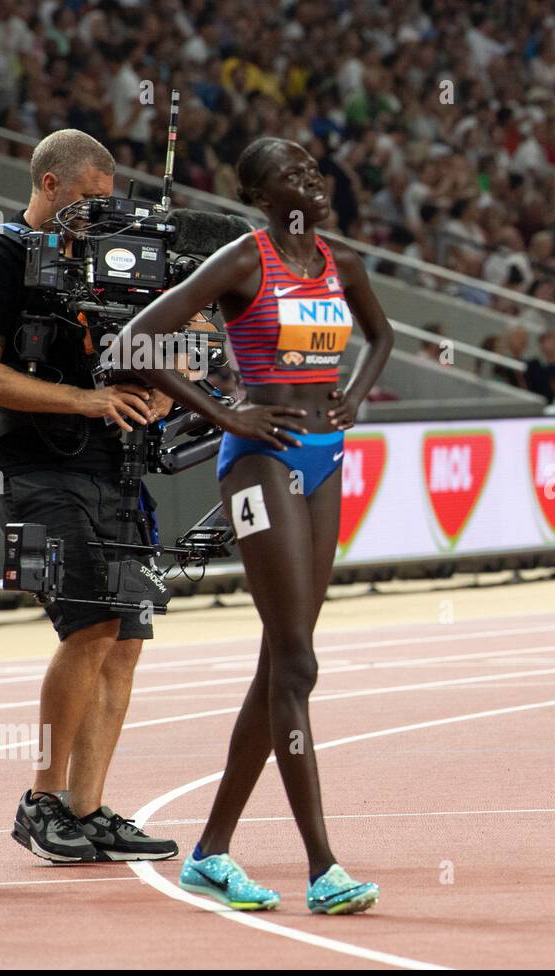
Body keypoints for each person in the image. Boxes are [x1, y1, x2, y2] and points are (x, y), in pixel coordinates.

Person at [112, 137, 394, 913]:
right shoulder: (245, 260)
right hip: (258, 460)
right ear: (264, 198)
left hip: (326, 457)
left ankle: (209, 852)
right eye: (290, 175)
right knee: (299, 662)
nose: (311, 179)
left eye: (313, 167)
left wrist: (357, 397)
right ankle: (324, 865)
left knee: (283, 662)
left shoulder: (343, 265)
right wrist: (225, 409)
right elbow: (138, 338)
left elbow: (383, 337)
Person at [0, 129, 178, 862]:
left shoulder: (112, 267)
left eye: (105, 203)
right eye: (86, 200)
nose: (98, 216)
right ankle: (41, 800)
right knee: (85, 628)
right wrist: (85, 403)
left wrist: (162, 393)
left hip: (115, 467)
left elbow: (152, 359)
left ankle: (87, 810)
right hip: (29, 471)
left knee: (126, 638)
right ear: (50, 186)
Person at [524, 327, 555, 414]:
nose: (553, 345)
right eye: (550, 341)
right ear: (541, 344)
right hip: (537, 412)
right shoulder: (532, 366)